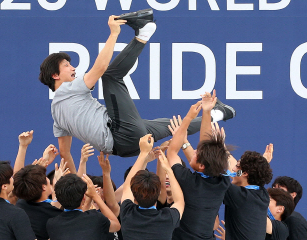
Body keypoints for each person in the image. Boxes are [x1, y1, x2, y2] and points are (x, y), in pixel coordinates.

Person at [38, 9, 235, 173]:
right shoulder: (69, 89)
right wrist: (114, 33)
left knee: (176, 127)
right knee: (111, 76)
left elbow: (65, 154)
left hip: (126, 148)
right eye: (67, 66)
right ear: (55, 76)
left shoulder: (56, 115)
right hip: (121, 134)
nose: (73, 68)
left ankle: (220, 113)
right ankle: (143, 34)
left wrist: (75, 181)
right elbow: (100, 69)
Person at [167, 92, 231, 240]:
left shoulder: (188, 181)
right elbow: (205, 145)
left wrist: (188, 119)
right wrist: (207, 111)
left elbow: (171, 153)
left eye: (196, 153)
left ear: (202, 166)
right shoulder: (223, 182)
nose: (193, 151)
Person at [120, 134, 184, 240]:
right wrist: (168, 169)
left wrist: (143, 153)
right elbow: (180, 201)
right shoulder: (168, 218)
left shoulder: (127, 213)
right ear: (159, 192)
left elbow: (127, 186)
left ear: (134, 195)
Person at [46, 173, 120, 240]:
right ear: (84, 197)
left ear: (58, 198)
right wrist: (95, 196)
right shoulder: (95, 218)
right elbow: (116, 225)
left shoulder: (52, 224)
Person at [13, 159, 68, 240]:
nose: (48, 179)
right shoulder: (56, 216)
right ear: (43, 187)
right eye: (46, 178)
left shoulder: (20, 204)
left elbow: (47, 208)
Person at [225, 151, 273, 239]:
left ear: (245, 173)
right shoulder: (263, 194)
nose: (233, 169)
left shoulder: (239, 195)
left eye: (237, 166)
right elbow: (241, 174)